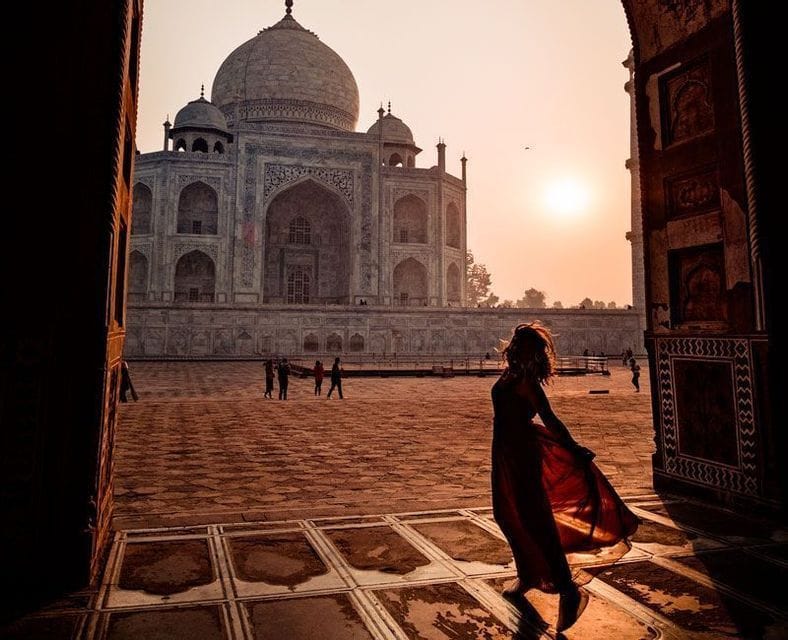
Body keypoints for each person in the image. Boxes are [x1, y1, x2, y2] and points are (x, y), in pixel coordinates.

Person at [492, 322, 638, 632]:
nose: (514, 347)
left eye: (521, 344)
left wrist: (573, 449)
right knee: (507, 514)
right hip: (504, 452)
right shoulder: (512, 375)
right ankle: (528, 574)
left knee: (535, 519)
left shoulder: (527, 382)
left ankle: (568, 590)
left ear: (527, 352)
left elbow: (551, 420)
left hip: (522, 454)